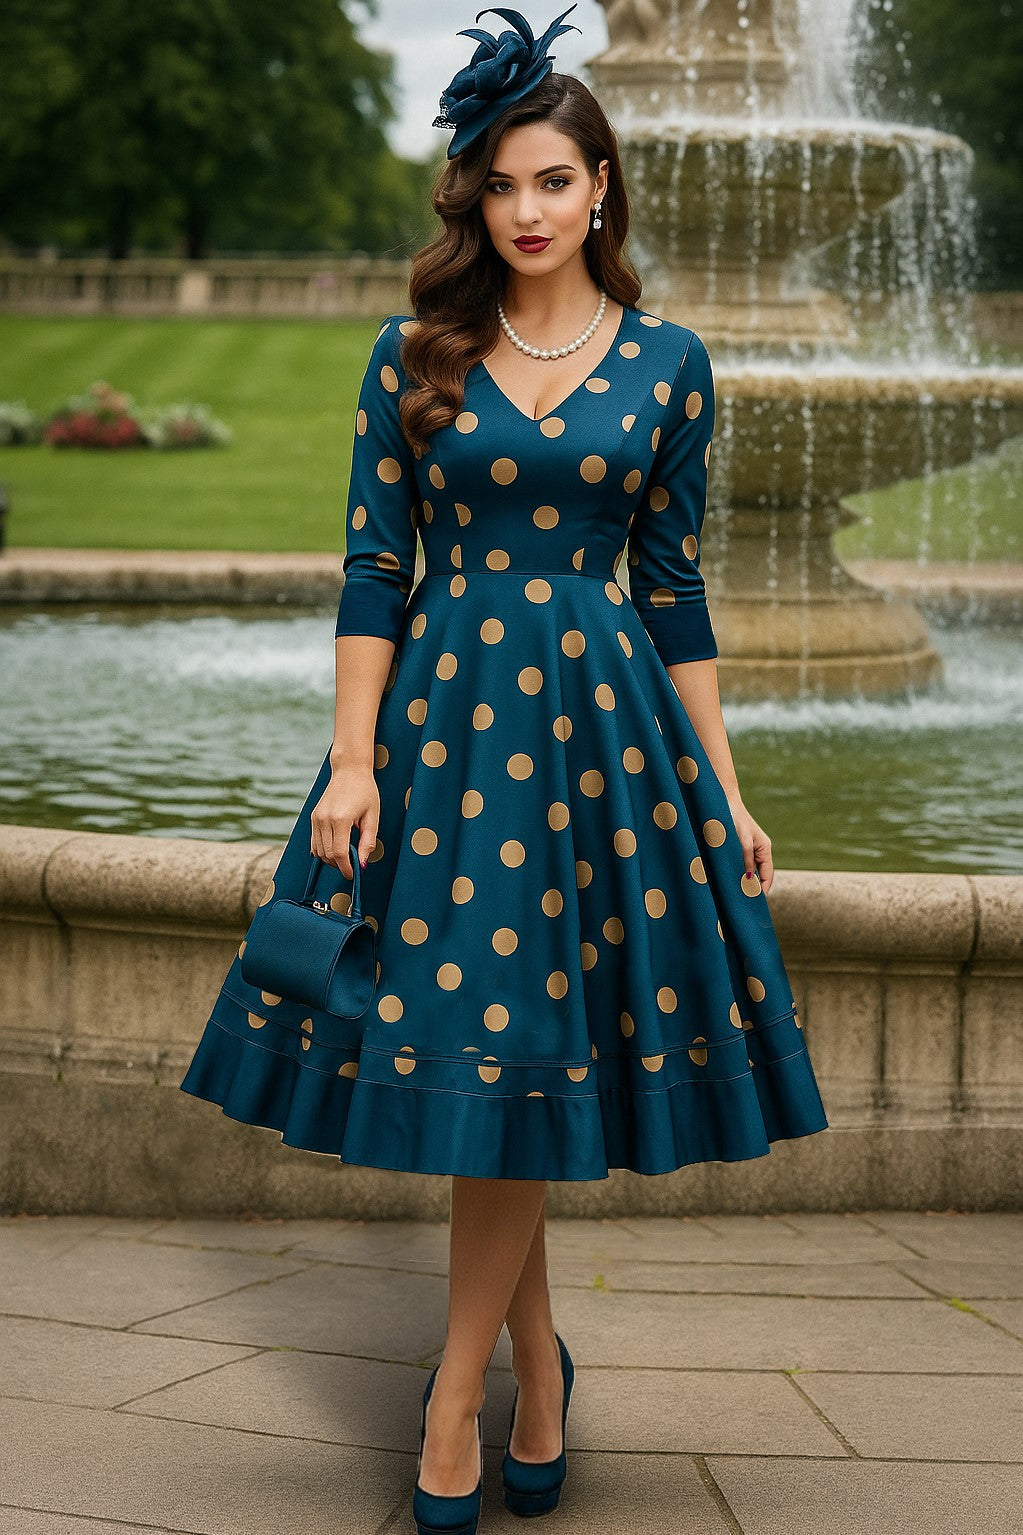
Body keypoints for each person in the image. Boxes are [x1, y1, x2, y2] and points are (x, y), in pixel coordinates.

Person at [179, 7, 830, 1531]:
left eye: (553, 181)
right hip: (443, 736)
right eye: (500, 186)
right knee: (490, 1050)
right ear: (473, 202)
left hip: (602, 750)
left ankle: (467, 1398)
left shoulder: (671, 365)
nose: (525, 211)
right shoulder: (412, 354)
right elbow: (371, 570)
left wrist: (723, 786)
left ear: (602, 186)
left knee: (513, 1055)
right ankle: (522, 1377)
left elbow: (670, 593)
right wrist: (351, 765)